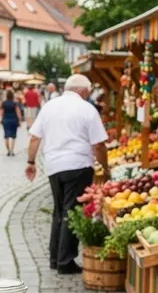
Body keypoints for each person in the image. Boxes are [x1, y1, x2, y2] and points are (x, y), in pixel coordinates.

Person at [25, 73, 109, 274]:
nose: (88, 95)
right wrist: (105, 167)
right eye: (87, 92)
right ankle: (65, 260)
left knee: (59, 210)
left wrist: (31, 162)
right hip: (78, 165)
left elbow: (34, 138)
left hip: (54, 166)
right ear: (83, 90)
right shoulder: (87, 109)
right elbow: (99, 144)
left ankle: (55, 257)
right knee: (71, 212)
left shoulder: (49, 107)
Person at [1, 86, 23, 156]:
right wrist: (20, 120)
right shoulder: (15, 103)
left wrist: (0, 119)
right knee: (13, 136)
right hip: (14, 119)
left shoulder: (3, 103)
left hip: (5, 119)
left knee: (6, 135)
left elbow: (1, 112)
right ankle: (12, 150)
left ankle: (8, 150)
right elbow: (18, 112)